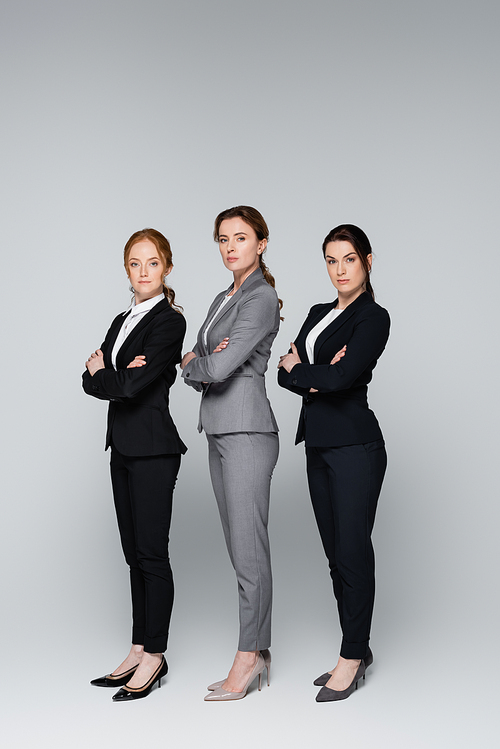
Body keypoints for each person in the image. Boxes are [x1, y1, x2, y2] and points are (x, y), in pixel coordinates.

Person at [278, 224, 390, 702]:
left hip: (355, 448)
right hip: (318, 446)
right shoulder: (318, 312)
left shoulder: (374, 317)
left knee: (352, 551)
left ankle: (350, 656)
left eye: (348, 258)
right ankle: (357, 647)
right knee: (333, 556)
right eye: (331, 260)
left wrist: (312, 372)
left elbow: (344, 377)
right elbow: (284, 372)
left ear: (367, 260)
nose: (340, 269)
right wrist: (315, 375)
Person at [181, 206, 281, 701]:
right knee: (237, 548)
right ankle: (255, 650)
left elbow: (215, 367)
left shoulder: (261, 298)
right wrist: (205, 359)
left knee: (249, 551)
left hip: (246, 430)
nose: (230, 247)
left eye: (240, 238)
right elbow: (209, 354)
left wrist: (196, 364)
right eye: (223, 239)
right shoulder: (227, 296)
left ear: (260, 244)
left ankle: (249, 657)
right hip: (218, 429)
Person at [82, 228, 187, 702]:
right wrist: (110, 375)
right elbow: (92, 380)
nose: (143, 272)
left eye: (151, 263)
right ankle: (138, 646)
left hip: (153, 450)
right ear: (127, 270)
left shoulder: (170, 322)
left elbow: (125, 387)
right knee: (131, 555)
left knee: (151, 554)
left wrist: (107, 373)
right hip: (122, 448)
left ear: (166, 267)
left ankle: (156, 655)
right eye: (134, 264)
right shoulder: (121, 319)